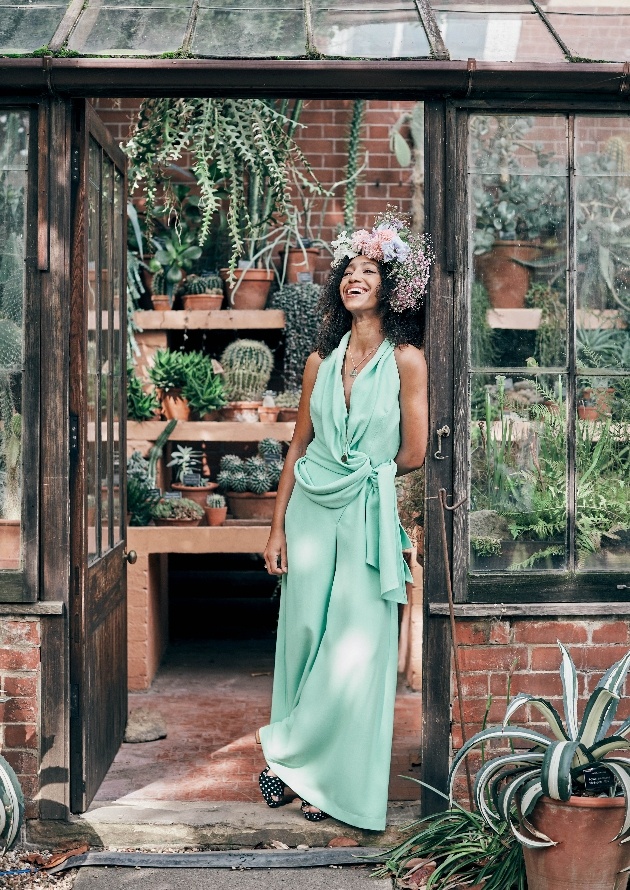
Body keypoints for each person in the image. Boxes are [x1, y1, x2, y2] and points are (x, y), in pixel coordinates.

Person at [256, 210, 431, 830]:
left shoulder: (408, 359)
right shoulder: (318, 363)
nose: (355, 277)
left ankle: (318, 774)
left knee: (351, 653)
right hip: (307, 513)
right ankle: (302, 772)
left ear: (394, 287)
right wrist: (275, 527)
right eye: (349, 270)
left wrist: (369, 475)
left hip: (365, 515)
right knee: (305, 642)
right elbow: (297, 446)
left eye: (369, 270)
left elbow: (413, 451)